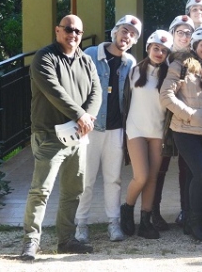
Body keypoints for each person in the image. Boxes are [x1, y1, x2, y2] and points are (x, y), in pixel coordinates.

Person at [20, 15, 101, 261]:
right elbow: (54, 91)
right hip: (49, 135)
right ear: (57, 30)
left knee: (73, 191)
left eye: (77, 31)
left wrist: (88, 117)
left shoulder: (86, 60)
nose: (73, 34)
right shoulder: (44, 58)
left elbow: (96, 91)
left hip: (78, 135)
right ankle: (31, 242)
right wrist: (80, 115)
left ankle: (66, 240)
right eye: (68, 29)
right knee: (40, 191)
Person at [75, 15, 141, 243]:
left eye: (132, 34)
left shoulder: (131, 63)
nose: (127, 36)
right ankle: (80, 224)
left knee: (113, 179)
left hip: (116, 130)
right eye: (124, 30)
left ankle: (114, 223)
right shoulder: (91, 54)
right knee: (86, 179)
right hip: (90, 128)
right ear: (115, 31)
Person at [160, 25, 202, 241]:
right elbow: (166, 96)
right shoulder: (181, 64)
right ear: (195, 43)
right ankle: (195, 223)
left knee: (195, 176)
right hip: (185, 130)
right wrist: (189, 114)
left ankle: (188, 221)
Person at [120, 30, 173, 239]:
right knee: (140, 176)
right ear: (148, 48)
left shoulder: (170, 74)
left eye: (164, 50)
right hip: (136, 130)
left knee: (152, 177)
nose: (159, 52)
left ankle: (145, 221)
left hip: (158, 131)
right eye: (156, 48)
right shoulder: (133, 72)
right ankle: (127, 208)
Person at [154, 14, 196, 229]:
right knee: (159, 168)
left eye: (188, 32)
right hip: (161, 122)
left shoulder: (195, 60)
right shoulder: (162, 57)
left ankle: (185, 211)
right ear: (172, 34)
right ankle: (152, 212)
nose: (184, 36)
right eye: (180, 32)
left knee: (186, 167)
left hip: (185, 122)